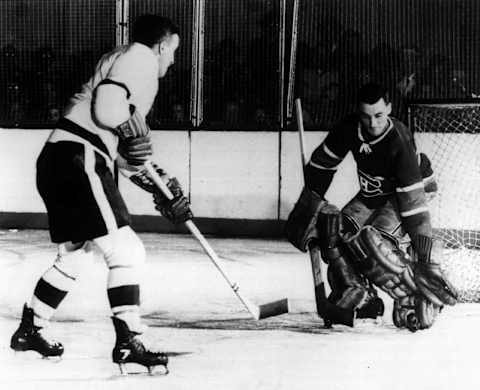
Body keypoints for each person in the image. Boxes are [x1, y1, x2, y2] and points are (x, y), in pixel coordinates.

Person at [10, 14, 192, 374]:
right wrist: (127, 127)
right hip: (80, 158)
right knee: (126, 250)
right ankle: (128, 341)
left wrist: (160, 186)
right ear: (161, 45)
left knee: (76, 254)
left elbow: (124, 156)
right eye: (173, 51)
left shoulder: (121, 60)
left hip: (60, 157)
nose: (172, 61)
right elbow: (108, 109)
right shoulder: (141, 58)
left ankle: (30, 329)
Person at [286, 82, 457, 331]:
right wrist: (309, 203)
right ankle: (359, 294)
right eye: (366, 117)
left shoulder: (399, 140)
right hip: (374, 193)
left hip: (411, 190)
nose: (373, 123)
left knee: (374, 242)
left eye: (379, 115)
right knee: (336, 230)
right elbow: (321, 166)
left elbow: (415, 209)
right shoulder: (349, 128)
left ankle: (412, 296)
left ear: (389, 108)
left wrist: (424, 257)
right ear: (358, 113)